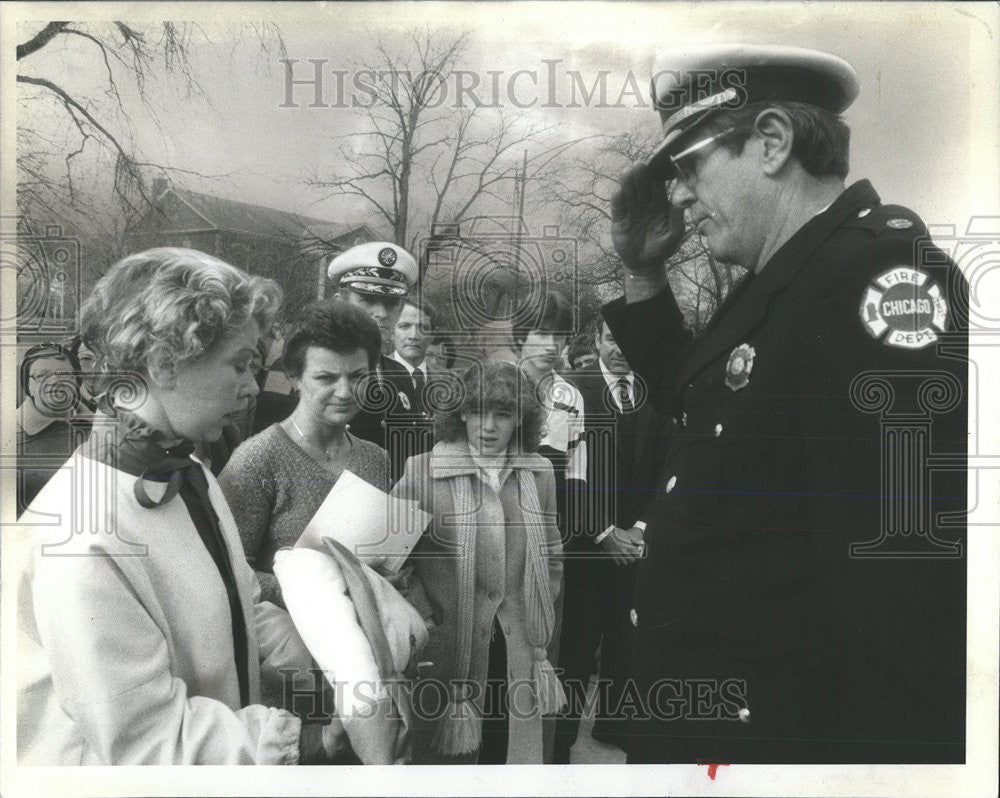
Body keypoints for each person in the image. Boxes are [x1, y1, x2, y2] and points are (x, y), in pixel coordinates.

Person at [605, 44, 967, 763]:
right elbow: (706, 398)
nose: (676, 196)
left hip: (779, 742)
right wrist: (643, 273)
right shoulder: (794, 275)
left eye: (689, 165)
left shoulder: (872, 273)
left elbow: (902, 580)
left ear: (771, 142)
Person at [14, 247, 342, 764]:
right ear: (166, 364)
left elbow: (238, 603)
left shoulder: (189, 473)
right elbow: (146, 741)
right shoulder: (82, 534)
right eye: (239, 364)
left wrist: (336, 663)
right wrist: (307, 741)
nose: (253, 385)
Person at [393, 361, 564, 764]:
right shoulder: (422, 471)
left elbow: (553, 551)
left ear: (521, 418)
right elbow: (393, 565)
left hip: (519, 645)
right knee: (446, 767)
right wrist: (425, 619)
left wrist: (535, 606)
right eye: (479, 412)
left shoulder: (538, 473)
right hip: (449, 647)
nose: (489, 426)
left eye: (503, 415)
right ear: (462, 412)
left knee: (505, 752)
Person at [552, 316, 671, 762]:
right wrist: (604, 532)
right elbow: (560, 472)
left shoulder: (652, 391)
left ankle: (615, 726)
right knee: (577, 647)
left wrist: (640, 529)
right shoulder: (570, 388)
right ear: (597, 341)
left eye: (628, 340)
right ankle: (560, 739)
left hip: (636, 545)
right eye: (610, 339)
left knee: (626, 642)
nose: (620, 348)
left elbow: (665, 466)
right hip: (585, 545)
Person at [219, 300, 390, 609]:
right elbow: (228, 571)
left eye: (357, 376)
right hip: (285, 646)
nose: (345, 392)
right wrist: (325, 590)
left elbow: (379, 561)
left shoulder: (375, 459)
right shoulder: (258, 460)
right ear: (294, 378)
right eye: (326, 378)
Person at [327, 242, 423, 482]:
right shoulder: (301, 368)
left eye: (391, 303)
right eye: (368, 300)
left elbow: (410, 459)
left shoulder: (400, 374)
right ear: (340, 302)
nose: (381, 313)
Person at [15, 340, 88, 516]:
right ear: (29, 387)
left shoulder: (97, 428)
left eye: (64, 373)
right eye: (41, 375)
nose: (55, 381)